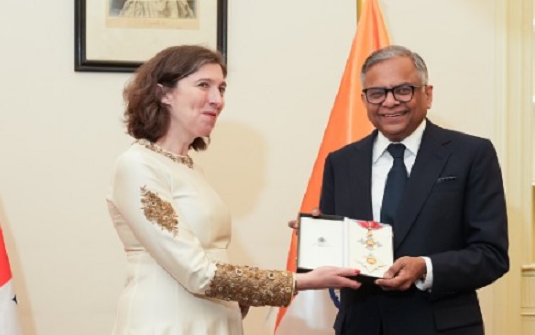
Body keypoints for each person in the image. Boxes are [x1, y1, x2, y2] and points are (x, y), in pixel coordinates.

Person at [107, 45, 361, 335]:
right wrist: (298, 282)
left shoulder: (189, 168)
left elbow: (211, 262)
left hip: (215, 319)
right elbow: (196, 272)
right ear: (163, 93)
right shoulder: (137, 164)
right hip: (168, 322)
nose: (218, 100)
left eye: (222, 88)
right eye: (204, 85)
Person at [317, 45, 509, 335]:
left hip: (440, 327)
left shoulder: (471, 154)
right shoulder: (340, 162)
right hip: (361, 326)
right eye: (377, 93)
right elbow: (336, 259)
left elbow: (491, 254)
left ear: (427, 95)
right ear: (364, 99)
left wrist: (426, 267)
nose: (390, 102)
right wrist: (318, 237)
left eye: (403, 90)